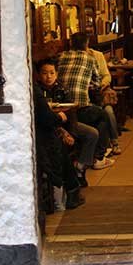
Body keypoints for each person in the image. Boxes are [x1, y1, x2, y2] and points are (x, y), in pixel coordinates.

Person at [36, 58, 99, 186]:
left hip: (65, 123)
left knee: (92, 133)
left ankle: (80, 167)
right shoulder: (37, 92)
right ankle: (67, 178)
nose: (49, 77)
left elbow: (71, 112)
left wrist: (71, 133)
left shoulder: (62, 89)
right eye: (44, 73)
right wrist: (62, 131)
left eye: (52, 73)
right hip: (49, 127)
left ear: (57, 73)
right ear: (38, 75)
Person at [57, 32, 116, 168]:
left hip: (61, 107)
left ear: (71, 44)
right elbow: (96, 84)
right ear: (87, 44)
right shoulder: (90, 58)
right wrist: (86, 85)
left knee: (98, 115)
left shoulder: (61, 56)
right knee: (103, 115)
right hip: (79, 108)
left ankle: (92, 155)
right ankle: (99, 157)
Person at [33, 82, 84, 210]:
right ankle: (72, 189)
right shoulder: (35, 90)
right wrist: (60, 118)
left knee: (60, 140)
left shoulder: (37, 89)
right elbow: (48, 118)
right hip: (41, 143)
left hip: (39, 135)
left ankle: (72, 187)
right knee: (59, 146)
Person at [88, 46, 128, 139]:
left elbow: (107, 76)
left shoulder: (97, 55)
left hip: (100, 94)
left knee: (108, 112)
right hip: (88, 99)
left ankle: (114, 140)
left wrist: (102, 85)